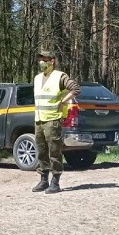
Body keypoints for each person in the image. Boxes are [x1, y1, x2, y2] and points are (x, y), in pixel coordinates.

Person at [32, 49, 80, 194]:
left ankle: (55, 181)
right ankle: (43, 179)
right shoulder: (37, 78)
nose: (42, 62)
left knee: (54, 151)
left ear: (52, 61)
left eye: (45, 59)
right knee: (41, 151)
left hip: (53, 120)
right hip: (39, 120)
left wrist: (63, 102)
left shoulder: (60, 76)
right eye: (40, 59)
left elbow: (75, 89)